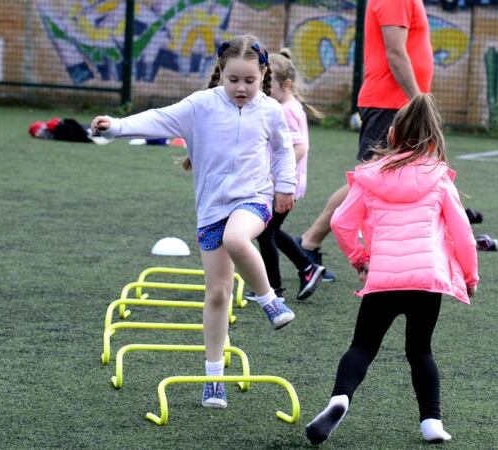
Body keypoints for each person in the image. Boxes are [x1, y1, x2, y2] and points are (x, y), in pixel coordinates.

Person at [90, 35, 297, 409]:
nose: (241, 87)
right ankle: (213, 378)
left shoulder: (270, 111)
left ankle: (269, 300)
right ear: (221, 73)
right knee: (217, 293)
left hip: (253, 200)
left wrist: (285, 187)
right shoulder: (201, 105)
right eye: (233, 79)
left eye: (249, 80)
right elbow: (158, 119)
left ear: (263, 74)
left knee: (238, 239)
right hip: (210, 209)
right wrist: (117, 127)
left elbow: (284, 151)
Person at [305, 94, 478, 445]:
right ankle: (431, 422)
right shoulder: (440, 178)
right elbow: (463, 235)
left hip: (383, 278)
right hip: (426, 280)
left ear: (392, 135)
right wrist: (471, 277)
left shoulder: (370, 176)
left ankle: (340, 398)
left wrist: (360, 259)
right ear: (432, 139)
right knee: (420, 351)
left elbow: (340, 221)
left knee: (363, 348)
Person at [296, 0, 434, 281]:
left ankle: (312, 242)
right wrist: (419, 103)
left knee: (378, 181)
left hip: (397, 104)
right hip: (390, 105)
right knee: (369, 182)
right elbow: (396, 54)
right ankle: (310, 242)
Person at [247, 49, 326, 301]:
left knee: (265, 232)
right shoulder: (288, 106)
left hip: (284, 184)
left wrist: (278, 177)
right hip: (285, 182)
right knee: (269, 231)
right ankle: (306, 268)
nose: (265, 92)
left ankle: (275, 288)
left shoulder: (287, 110)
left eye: (269, 87)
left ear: (287, 84)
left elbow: (299, 147)